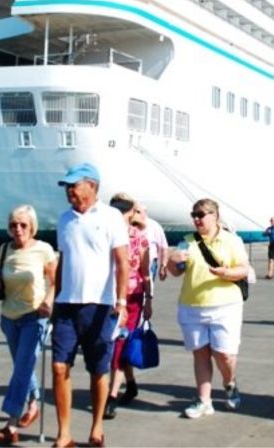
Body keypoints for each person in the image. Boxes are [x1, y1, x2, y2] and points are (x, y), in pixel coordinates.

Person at [51, 163, 129, 448]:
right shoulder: (64, 220)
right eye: (67, 186)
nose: (69, 190)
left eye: (74, 185)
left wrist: (121, 301)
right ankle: (64, 434)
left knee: (98, 370)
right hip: (66, 305)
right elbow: (62, 263)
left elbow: (122, 262)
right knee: (59, 367)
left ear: (92, 186)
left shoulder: (111, 217)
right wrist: (54, 298)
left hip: (101, 305)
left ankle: (96, 428)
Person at [166, 198, 250, 419]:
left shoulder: (231, 241)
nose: (196, 219)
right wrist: (171, 261)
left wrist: (226, 273)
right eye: (194, 215)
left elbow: (243, 269)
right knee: (200, 353)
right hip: (192, 305)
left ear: (215, 216)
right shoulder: (187, 242)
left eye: (201, 215)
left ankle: (229, 382)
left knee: (224, 355)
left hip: (226, 305)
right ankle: (204, 400)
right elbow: (176, 271)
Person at [0, 205, 57, 446]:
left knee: (22, 368)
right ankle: (34, 403)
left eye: (23, 225)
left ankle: (11, 422)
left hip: (34, 316)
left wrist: (48, 302)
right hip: (8, 317)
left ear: (32, 226)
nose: (18, 229)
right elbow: (2, 278)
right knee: (22, 366)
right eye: (13, 225)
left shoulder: (43, 250)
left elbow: (55, 282)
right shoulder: (5, 249)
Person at [103, 194, 152, 420]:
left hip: (130, 297)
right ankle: (130, 385)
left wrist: (148, 298)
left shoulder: (136, 237)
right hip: (111, 295)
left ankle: (111, 396)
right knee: (116, 343)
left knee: (120, 343)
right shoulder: (109, 233)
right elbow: (145, 272)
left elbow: (144, 271)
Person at [137, 204, 169, 284]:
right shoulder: (130, 225)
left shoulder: (154, 226)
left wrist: (163, 265)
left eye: (138, 212)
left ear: (145, 212)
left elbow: (164, 247)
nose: (136, 214)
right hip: (134, 264)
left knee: (147, 289)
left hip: (150, 264)